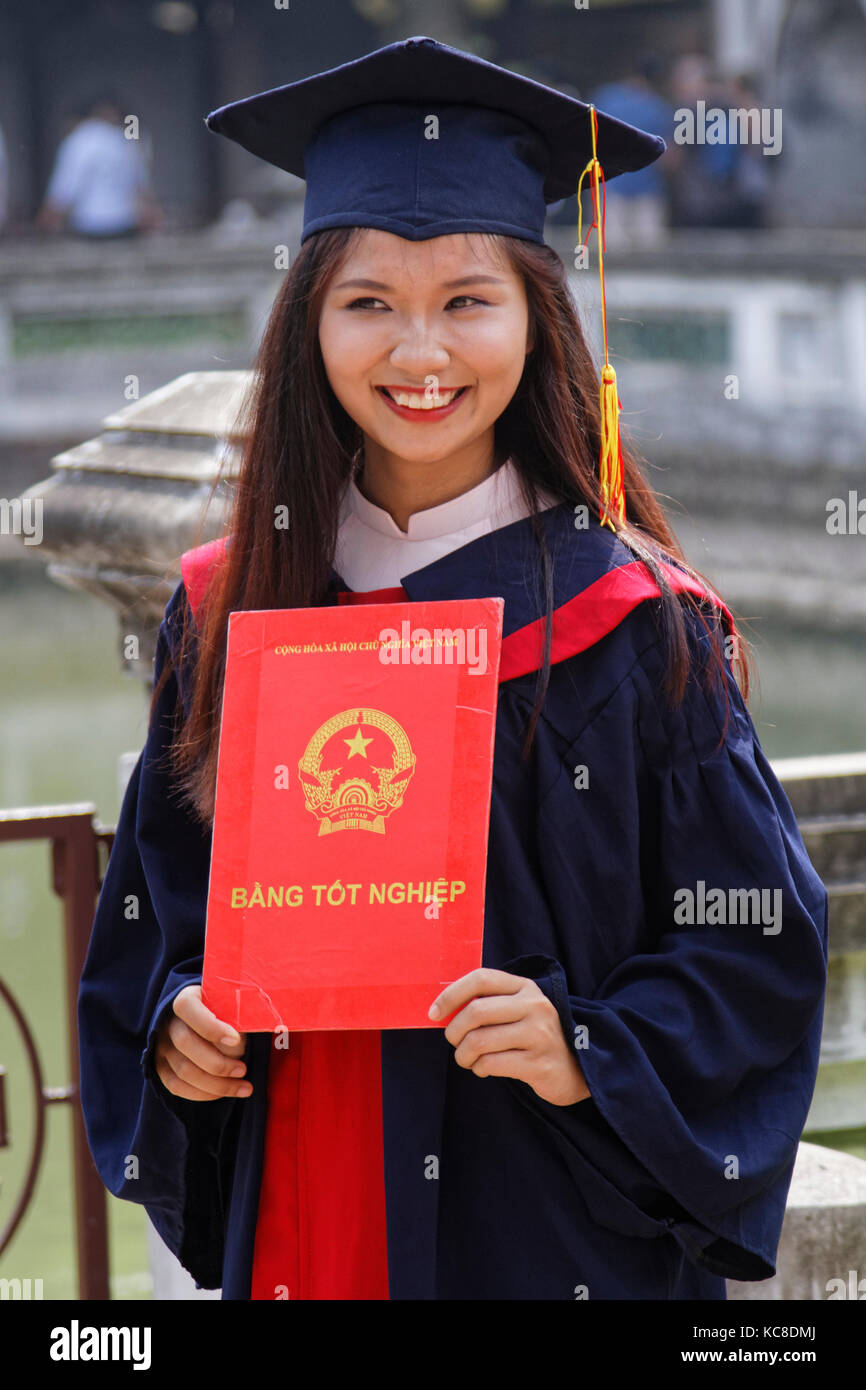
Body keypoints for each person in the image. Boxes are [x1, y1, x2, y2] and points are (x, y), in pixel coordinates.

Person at [77, 36, 828, 1301]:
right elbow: (155, 916)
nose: (418, 352)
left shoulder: (631, 620)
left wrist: (588, 1042)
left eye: (467, 301)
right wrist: (177, 1026)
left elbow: (754, 949)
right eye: (367, 301)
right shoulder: (228, 607)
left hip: (543, 1226)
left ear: (535, 320)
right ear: (307, 321)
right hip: (307, 1208)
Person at [36, 93, 162, 238]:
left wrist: (46, 220)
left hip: (91, 226)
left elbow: (65, 188)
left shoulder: (82, 139)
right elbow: (141, 186)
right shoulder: (129, 138)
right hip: (125, 225)